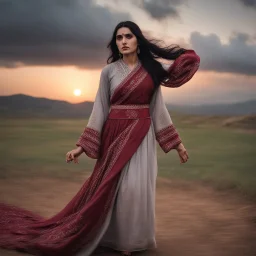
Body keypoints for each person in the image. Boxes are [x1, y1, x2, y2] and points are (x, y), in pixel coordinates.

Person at [0, 21, 200, 256]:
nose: (123, 41)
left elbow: (158, 109)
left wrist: (177, 144)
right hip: (113, 135)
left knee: (136, 187)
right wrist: (81, 147)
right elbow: (100, 108)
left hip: (141, 135)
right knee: (115, 187)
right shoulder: (109, 72)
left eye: (128, 36)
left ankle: (131, 239)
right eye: (119, 38)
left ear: (138, 40)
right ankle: (115, 239)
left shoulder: (151, 70)